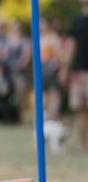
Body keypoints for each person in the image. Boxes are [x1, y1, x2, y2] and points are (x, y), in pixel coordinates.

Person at [60, 0, 88, 151]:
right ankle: (83, 145)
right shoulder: (76, 21)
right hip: (79, 71)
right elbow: (71, 46)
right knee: (81, 109)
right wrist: (65, 69)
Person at [3, 18, 31, 121]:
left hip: (20, 72)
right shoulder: (7, 40)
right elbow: (4, 55)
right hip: (8, 72)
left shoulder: (24, 40)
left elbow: (26, 57)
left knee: (21, 94)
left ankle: (21, 115)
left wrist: (18, 66)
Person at [40, 17, 62, 121]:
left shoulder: (53, 38)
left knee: (53, 92)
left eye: (42, 23)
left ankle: (53, 115)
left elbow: (58, 54)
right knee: (45, 93)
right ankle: (46, 115)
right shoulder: (40, 38)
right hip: (42, 67)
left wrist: (56, 65)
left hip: (51, 68)